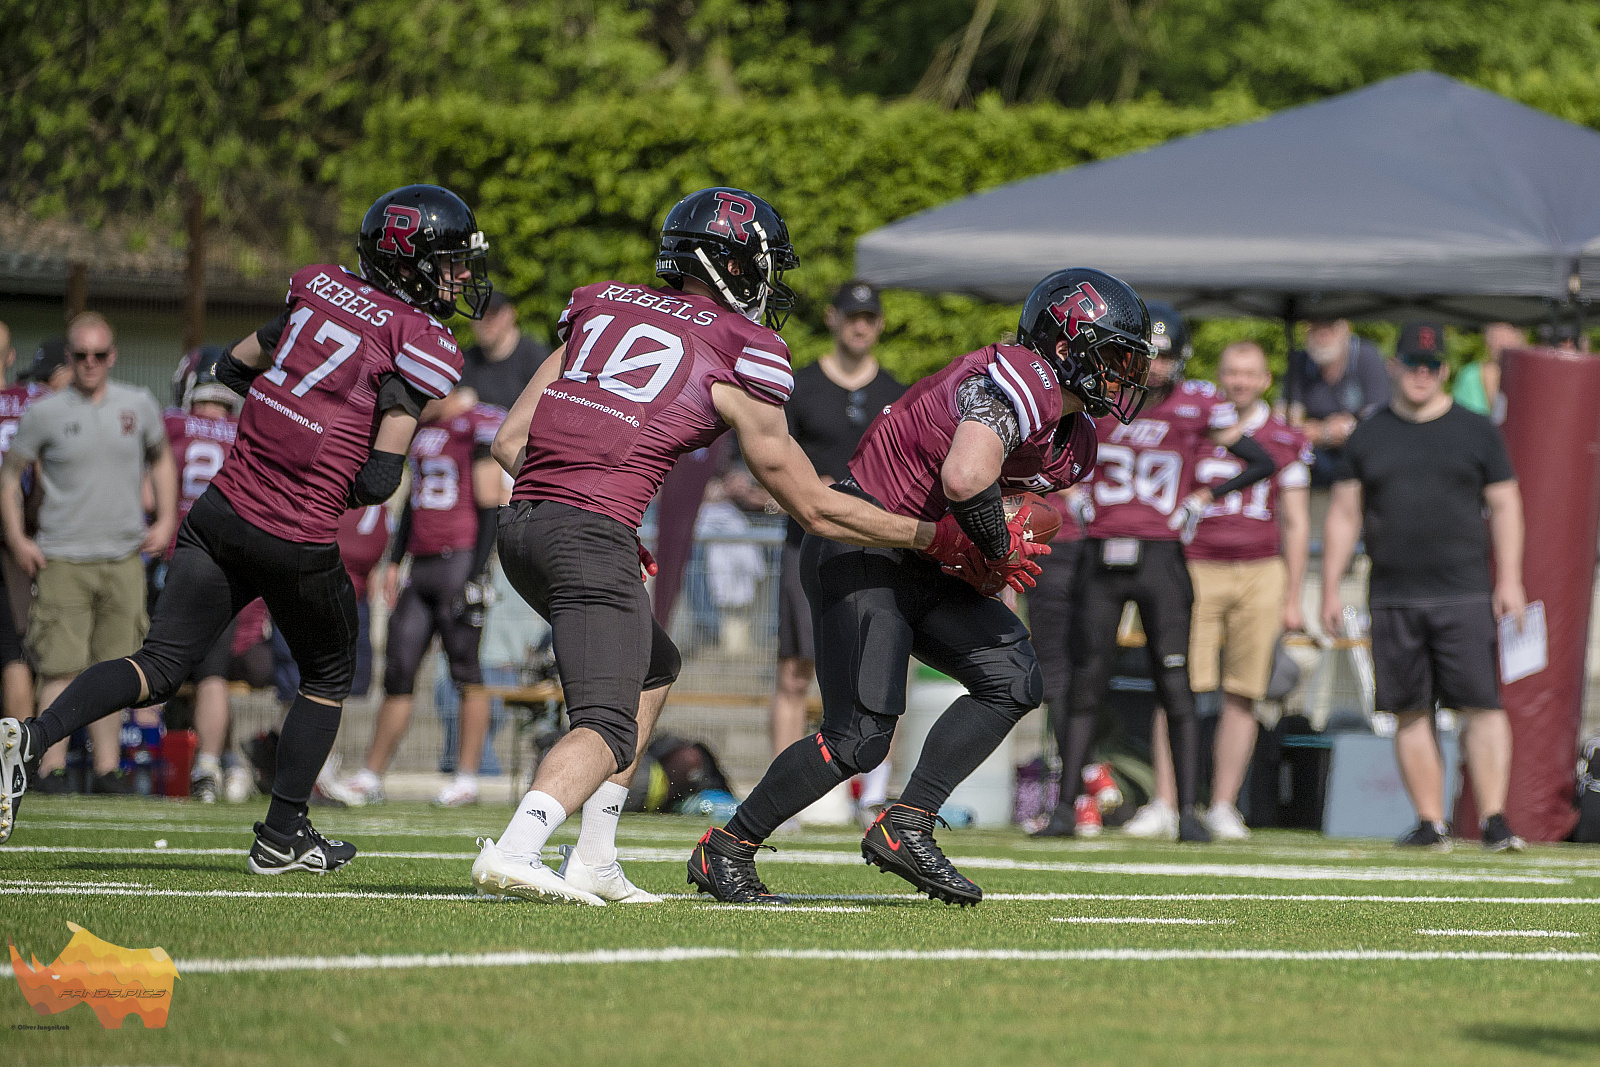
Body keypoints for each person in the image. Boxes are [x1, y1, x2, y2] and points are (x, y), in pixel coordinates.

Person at [470, 186, 943, 906]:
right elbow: (812, 504)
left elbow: (510, 441)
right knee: (608, 721)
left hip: (525, 523)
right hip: (588, 532)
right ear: (732, 266)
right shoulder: (741, 347)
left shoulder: (602, 305)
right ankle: (519, 843)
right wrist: (933, 536)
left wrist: (592, 516)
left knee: (656, 668)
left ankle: (594, 856)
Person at [0, 183, 491, 857]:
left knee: (160, 662)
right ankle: (283, 832)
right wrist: (321, 468)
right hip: (297, 531)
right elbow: (381, 478)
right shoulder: (417, 337)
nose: (460, 277)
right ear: (408, 262)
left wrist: (284, 429)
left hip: (221, 513)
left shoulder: (319, 289)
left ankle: (33, 736)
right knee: (327, 675)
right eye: (449, 261)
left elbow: (232, 365)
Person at [696, 267, 1147, 905]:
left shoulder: (1072, 439)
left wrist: (994, 552)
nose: (1125, 375)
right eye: (1115, 357)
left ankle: (908, 824)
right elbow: (966, 478)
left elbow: (999, 500)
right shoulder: (1020, 379)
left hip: (924, 559)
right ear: (1067, 346)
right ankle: (727, 849)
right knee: (859, 737)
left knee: (1013, 679)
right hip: (864, 543)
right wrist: (996, 545)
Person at [1039, 303, 1277, 843]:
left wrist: (1205, 496)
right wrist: (1069, 490)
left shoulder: (1199, 405)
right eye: (1152, 356)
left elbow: (1262, 460)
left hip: (1162, 557)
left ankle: (1188, 812)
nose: (1158, 368)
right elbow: (1041, 444)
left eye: (1167, 358)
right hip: (1101, 553)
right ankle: (1064, 809)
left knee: (1175, 682)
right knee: (1085, 680)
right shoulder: (1099, 397)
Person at [1321, 321, 1527, 852]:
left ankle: (1494, 820)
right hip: (1392, 593)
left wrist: (1510, 580)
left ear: (1445, 371)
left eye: (1431, 366)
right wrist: (1327, 590)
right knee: (1409, 711)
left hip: (1465, 591)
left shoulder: (1477, 428)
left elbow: (1505, 504)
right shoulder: (1369, 432)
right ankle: (1431, 822)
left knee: (1482, 705)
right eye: (1412, 363)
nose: (1421, 373)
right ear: (1393, 366)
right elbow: (1344, 514)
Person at [0, 312, 176, 797]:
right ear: (69, 358)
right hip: (62, 557)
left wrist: (164, 519)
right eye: (80, 356)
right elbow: (10, 476)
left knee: (116, 667)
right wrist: (19, 539)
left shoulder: (138, 404)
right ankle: (50, 767)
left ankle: (106, 769)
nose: (90, 364)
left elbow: (162, 459)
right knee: (59, 665)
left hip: (123, 557)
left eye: (100, 355)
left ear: (112, 356)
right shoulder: (45, 411)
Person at [1143, 341, 1312, 840]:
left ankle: (1222, 804)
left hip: (1260, 567)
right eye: (1231, 373)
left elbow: (1297, 521)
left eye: (1249, 373)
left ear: (1265, 379)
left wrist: (1293, 594)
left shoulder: (1284, 436)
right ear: (1219, 376)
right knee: (1175, 683)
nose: (1239, 382)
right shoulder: (1197, 423)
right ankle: (1166, 801)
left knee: (1244, 691)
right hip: (1195, 565)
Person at [328, 390, 506, 808]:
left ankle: (466, 777)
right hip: (421, 564)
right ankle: (372, 774)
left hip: (458, 560)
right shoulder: (424, 431)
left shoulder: (474, 427)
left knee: (466, 669)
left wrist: (479, 570)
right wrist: (394, 559)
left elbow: (489, 502)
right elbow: (412, 498)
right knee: (399, 669)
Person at [772, 280, 905, 823]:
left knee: (880, 667)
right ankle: (787, 797)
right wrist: (804, 491)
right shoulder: (800, 387)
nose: (860, 325)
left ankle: (874, 794)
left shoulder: (895, 392)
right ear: (831, 317)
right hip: (806, 545)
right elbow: (762, 467)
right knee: (795, 671)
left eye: (869, 317)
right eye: (852, 315)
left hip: (874, 548)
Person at [159, 348, 245, 802]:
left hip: (178, 557)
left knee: (155, 665)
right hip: (228, 561)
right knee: (213, 673)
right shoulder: (244, 433)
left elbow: (149, 498)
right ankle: (210, 767)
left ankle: (144, 764)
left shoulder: (171, 425)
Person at [1282, 318, 1389, 485]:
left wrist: (1324, 431)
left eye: (1331, 326)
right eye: (1315, 326)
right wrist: (1328, 431)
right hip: (1315, 462)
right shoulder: (1300, 361)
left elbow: (1378, 425)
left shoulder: (1366, 356)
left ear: (1347, 329)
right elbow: (1286, 425)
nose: (1323, 333)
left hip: (1361, 461)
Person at [460, 291, 551, 410]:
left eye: (492, 314)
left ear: (510, 314)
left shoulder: (535, 357)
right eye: (478, 315)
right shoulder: (466, 360)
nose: (484, 322)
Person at [1453, 322, 1521, 421]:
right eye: (1497, 339)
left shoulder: (1527, 377)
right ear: (1487, 341)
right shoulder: (1470, 374)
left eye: (1507, 339)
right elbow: (1459, 415)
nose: (1502, 345)